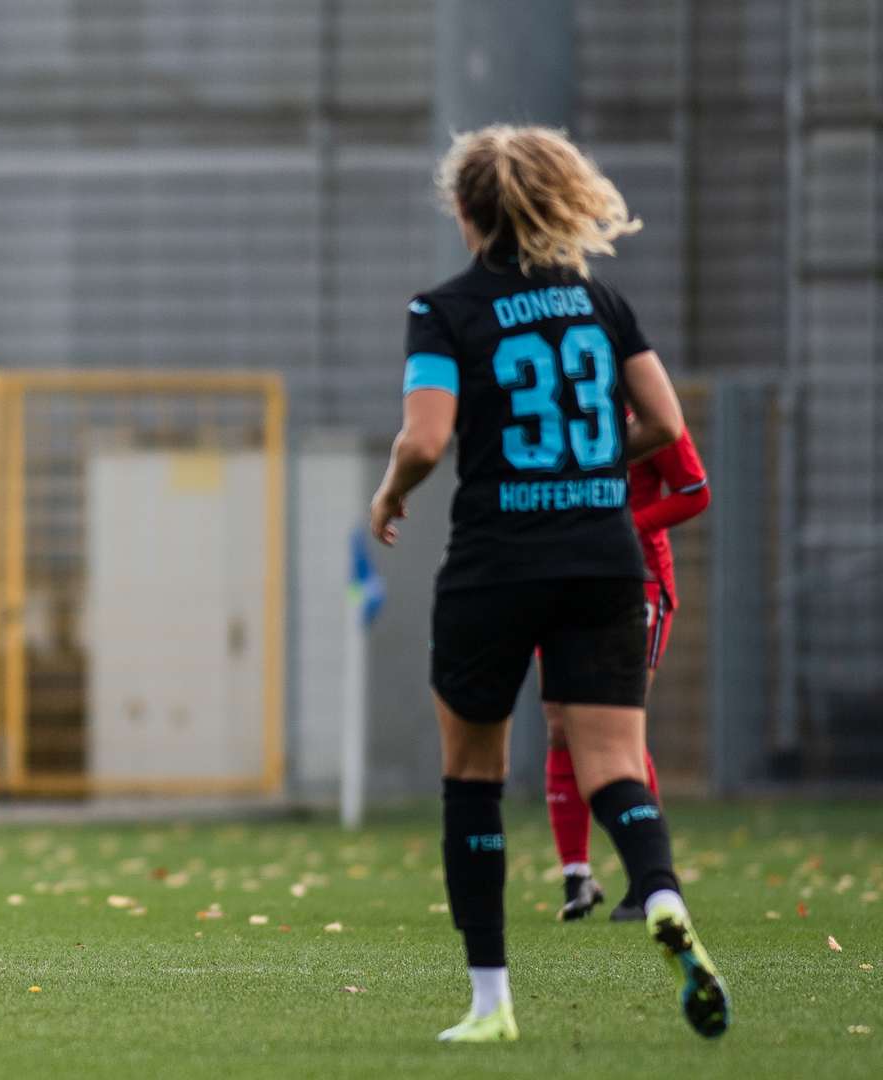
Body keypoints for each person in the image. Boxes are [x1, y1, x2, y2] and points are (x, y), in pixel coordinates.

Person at [368, 126, 730, 1043]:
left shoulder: (442, 310)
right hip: (607, 561)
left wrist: (392, 489)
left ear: (465, 212)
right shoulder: (601, 304)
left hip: (497, 566)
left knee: (473, 779)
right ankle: (656, 894)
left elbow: (425, 439)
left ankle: (491, 1004)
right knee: (612, 765)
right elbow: (663, 420)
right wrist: (596, 464)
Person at [550, 428, 711, 921]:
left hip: (636, 580)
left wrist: (625, 525)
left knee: (619, 730)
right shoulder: (563, 399)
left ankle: (650, 881)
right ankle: (576, 875)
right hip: (569, 579)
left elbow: (694, 491)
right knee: (560, 724)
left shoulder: (647, 408)